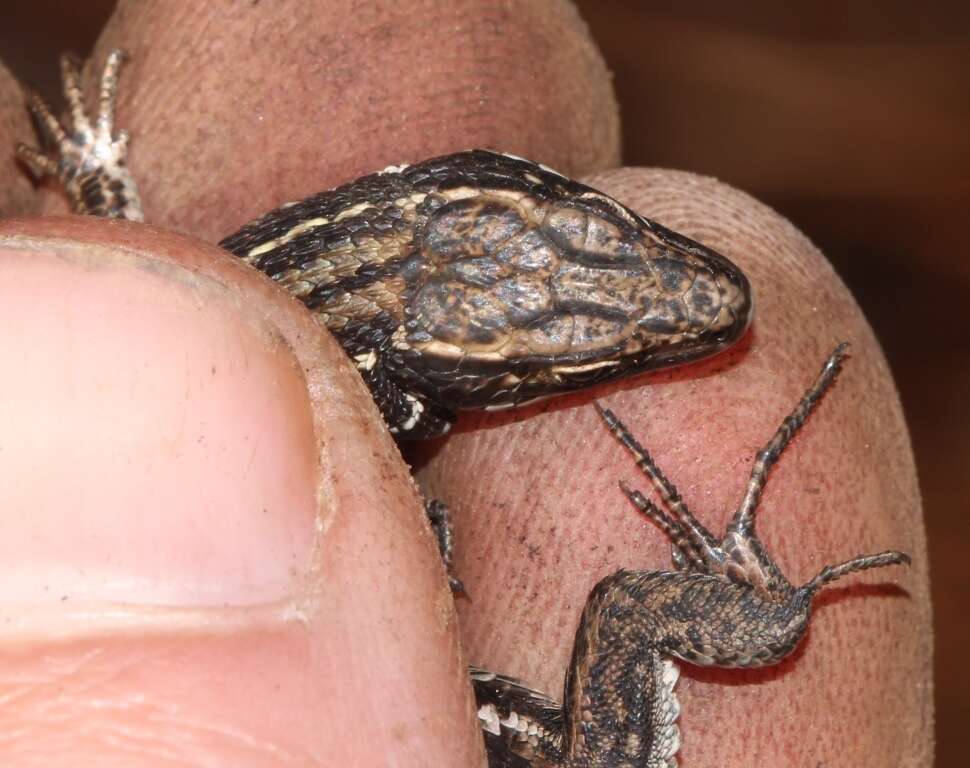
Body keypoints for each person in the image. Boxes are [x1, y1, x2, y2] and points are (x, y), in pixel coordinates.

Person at [0, 1, 930, 764]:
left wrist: (98, 174)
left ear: (478, 184)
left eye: (592, 222)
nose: (712, 301)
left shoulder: (168, 310)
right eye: (582, 361)